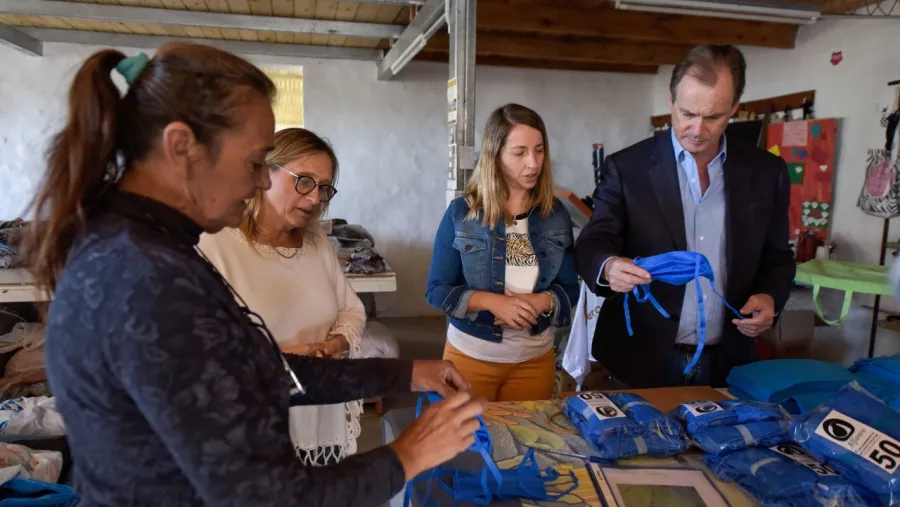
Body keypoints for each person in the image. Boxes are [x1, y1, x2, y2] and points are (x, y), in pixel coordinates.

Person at [26, 43, 485, 507]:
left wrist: (407, 374)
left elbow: (260, 371)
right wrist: (410, 453)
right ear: (182, 147)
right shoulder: (147, 280)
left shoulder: (141, 247)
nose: (262, 182)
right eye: (254, 163)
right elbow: (269, 497)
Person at [574, 44, 796, 389]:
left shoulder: (767, 172)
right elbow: (592, 242)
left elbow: (778, 257)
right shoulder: (627, 168)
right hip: (640, 357)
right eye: (687, 113)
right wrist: (608, 266)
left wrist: (769, 297)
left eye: (713, 117)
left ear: (735, 108)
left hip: (729, 361)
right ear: (671, 101)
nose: (696, 129)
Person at [199, 127, 367, 466]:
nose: (314, 199)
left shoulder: (316, 242)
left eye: (324, 188)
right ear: (264, 172)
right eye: (303, 181)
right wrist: (279, 359)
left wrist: (336, 343)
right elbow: (196, 348)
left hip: (317, 415)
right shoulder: (216, 245)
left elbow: (352, 310)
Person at [426, 103, 579, 402]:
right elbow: (436, 290)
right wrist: (494, 303)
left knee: (526, 444)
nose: (533, 163)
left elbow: (570, 289)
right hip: (471, 358)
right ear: (495, 156)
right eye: (519, 153)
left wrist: (541, 301)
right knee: (471, 446)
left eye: (539, 150)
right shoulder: (462, 213)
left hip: (535, 361)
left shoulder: (556, 215)